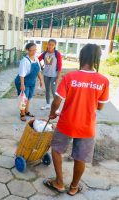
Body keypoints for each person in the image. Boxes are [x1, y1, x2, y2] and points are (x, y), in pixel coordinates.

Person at [43, 44, 109, 196]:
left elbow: (57, 101)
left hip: (67, 122)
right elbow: (100, 107)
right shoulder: (103, 81)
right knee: (81, 157)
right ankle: (73, 187)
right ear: (96, 59)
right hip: (87, 126)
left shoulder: (70, 77)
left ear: (81, 57)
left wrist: (52, 113)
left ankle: (59, 183)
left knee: (57, 150)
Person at [15, 42, 44, 121]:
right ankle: (22, 113)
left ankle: (27, 111)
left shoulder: (36, 59)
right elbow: (21, 74)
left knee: (29, 97)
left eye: (35, 50)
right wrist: (22, 84)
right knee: (23, 98)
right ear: (28, 50)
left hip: (32, 82)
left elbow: (38, 71)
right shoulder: (24, 61)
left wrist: (41, 80)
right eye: (32, 50)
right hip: (23, 81)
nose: (34, 52)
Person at [38, 39, 62, 110]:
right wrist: (40, 66)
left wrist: (58, 77)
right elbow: (37, 60)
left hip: (54, 75)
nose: (50, 46)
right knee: (47, 90)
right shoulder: (45, 53)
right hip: (46, 74)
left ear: (55, 46)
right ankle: (48, 104)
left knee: (53, 91)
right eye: (49, 44)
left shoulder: (57, 54)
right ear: (47, 44)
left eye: (52, 45)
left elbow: (60, 66)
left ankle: (56, 108)